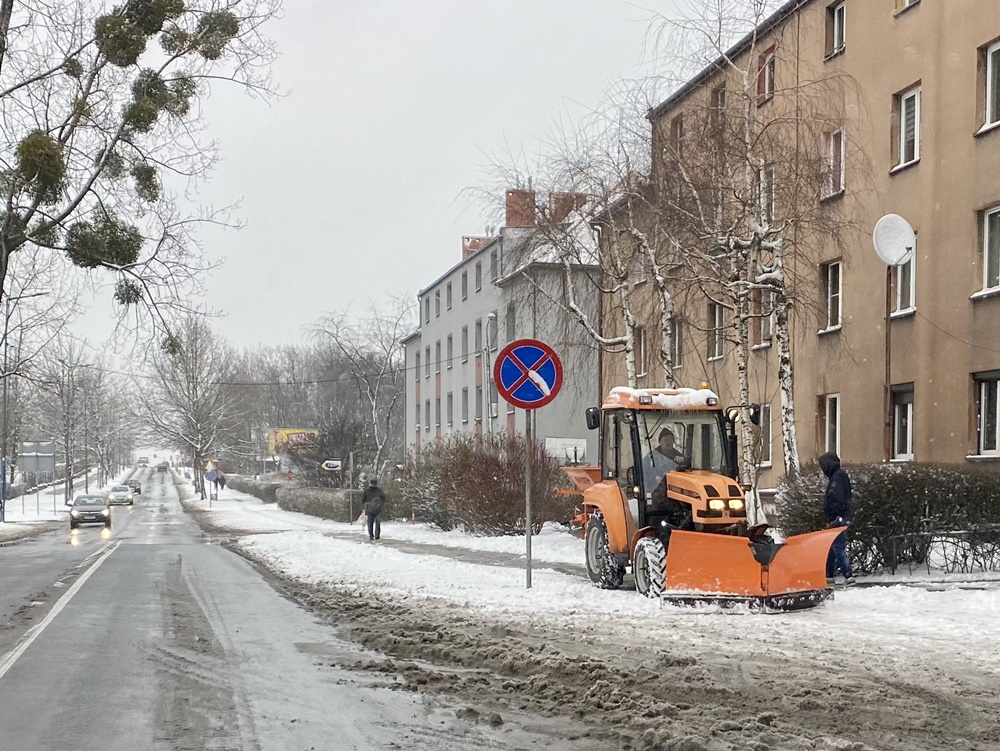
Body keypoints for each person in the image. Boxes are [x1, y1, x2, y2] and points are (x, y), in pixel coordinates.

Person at [819, 451, 855, 586]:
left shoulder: (837, 477)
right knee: (831, 548)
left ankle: (848, 575)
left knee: (838, 547)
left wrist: (834, 513)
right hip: (838, 517)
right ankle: (828, 576)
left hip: (838, 518)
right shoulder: (838, 476)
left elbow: (838, 498)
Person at [643, 428, 689, 496]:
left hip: (675, 490)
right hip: (656, 490)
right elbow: (645, 474)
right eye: (666, 440)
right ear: (660, 442)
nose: (668, 442)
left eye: (670, 440)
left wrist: (683, 461)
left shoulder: (678, 456)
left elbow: (687, 470)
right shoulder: (650, 457)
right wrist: (655, 479)